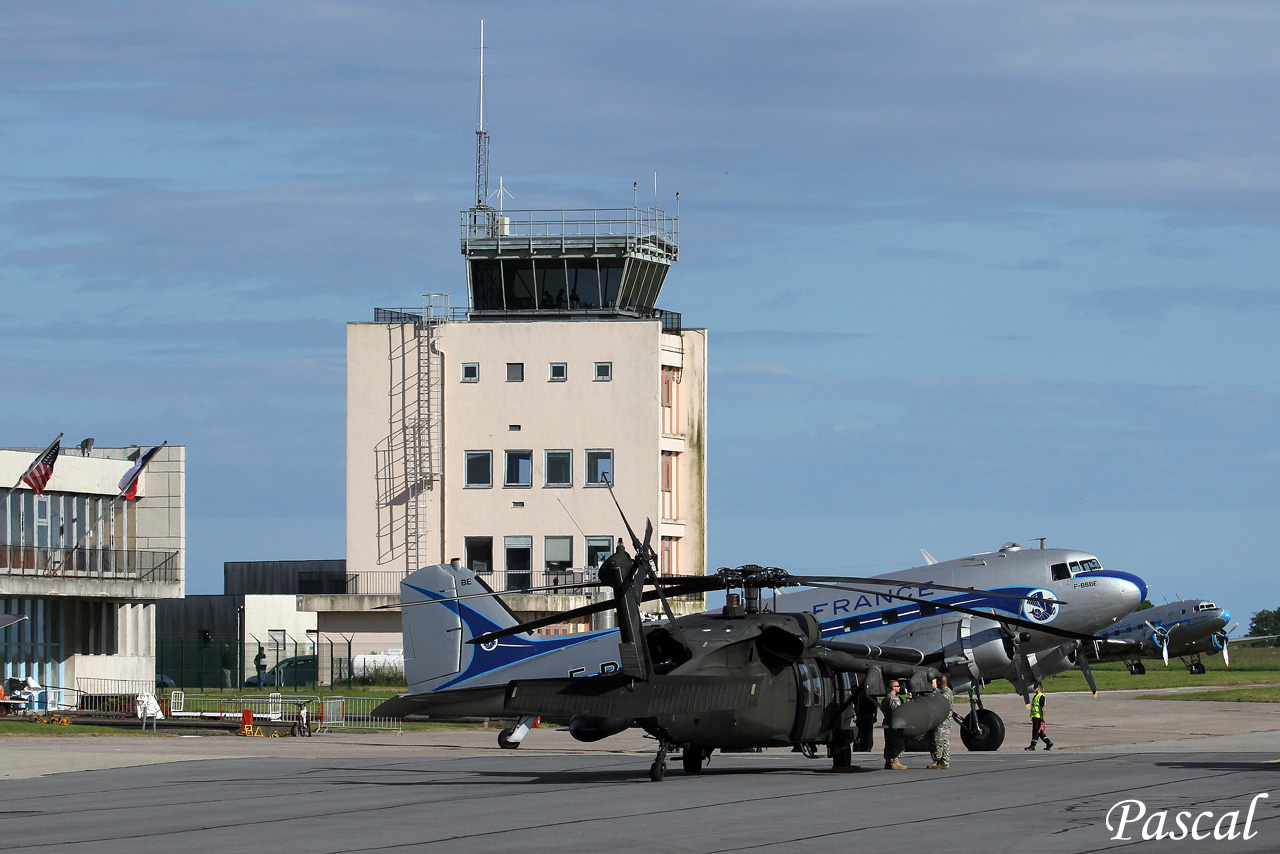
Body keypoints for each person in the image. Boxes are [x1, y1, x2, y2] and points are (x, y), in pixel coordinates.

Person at [927, 675, 954, 770]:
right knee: (944, 742)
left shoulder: (946, 693)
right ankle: (943, 761)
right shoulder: (943, 692)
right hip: (943, 721)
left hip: (943, 722)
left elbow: (938, 702)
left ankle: (940, 761)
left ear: (939, 682)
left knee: (938, 741)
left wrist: (933, 690)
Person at [882, 679, 908, 770]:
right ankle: (895, 761)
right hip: (895, 724)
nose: (899, 687)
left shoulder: (886, 698)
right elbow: (897, 711)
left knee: (889, 743)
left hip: (887, 723)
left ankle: (888, 762)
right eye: (897, 686)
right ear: (893, 687)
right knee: (898, 743)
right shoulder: (894, 698)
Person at [1026, 682, 1054, 750]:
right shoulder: (1036, 696)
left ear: (1038, 687)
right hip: (1035, 716)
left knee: (1036, 731)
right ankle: (1048, 743)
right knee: (1039, 731)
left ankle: (1033, 745)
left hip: (1038, 716)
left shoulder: (1041, 696)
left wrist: (1043, 717)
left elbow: (1043, 708)